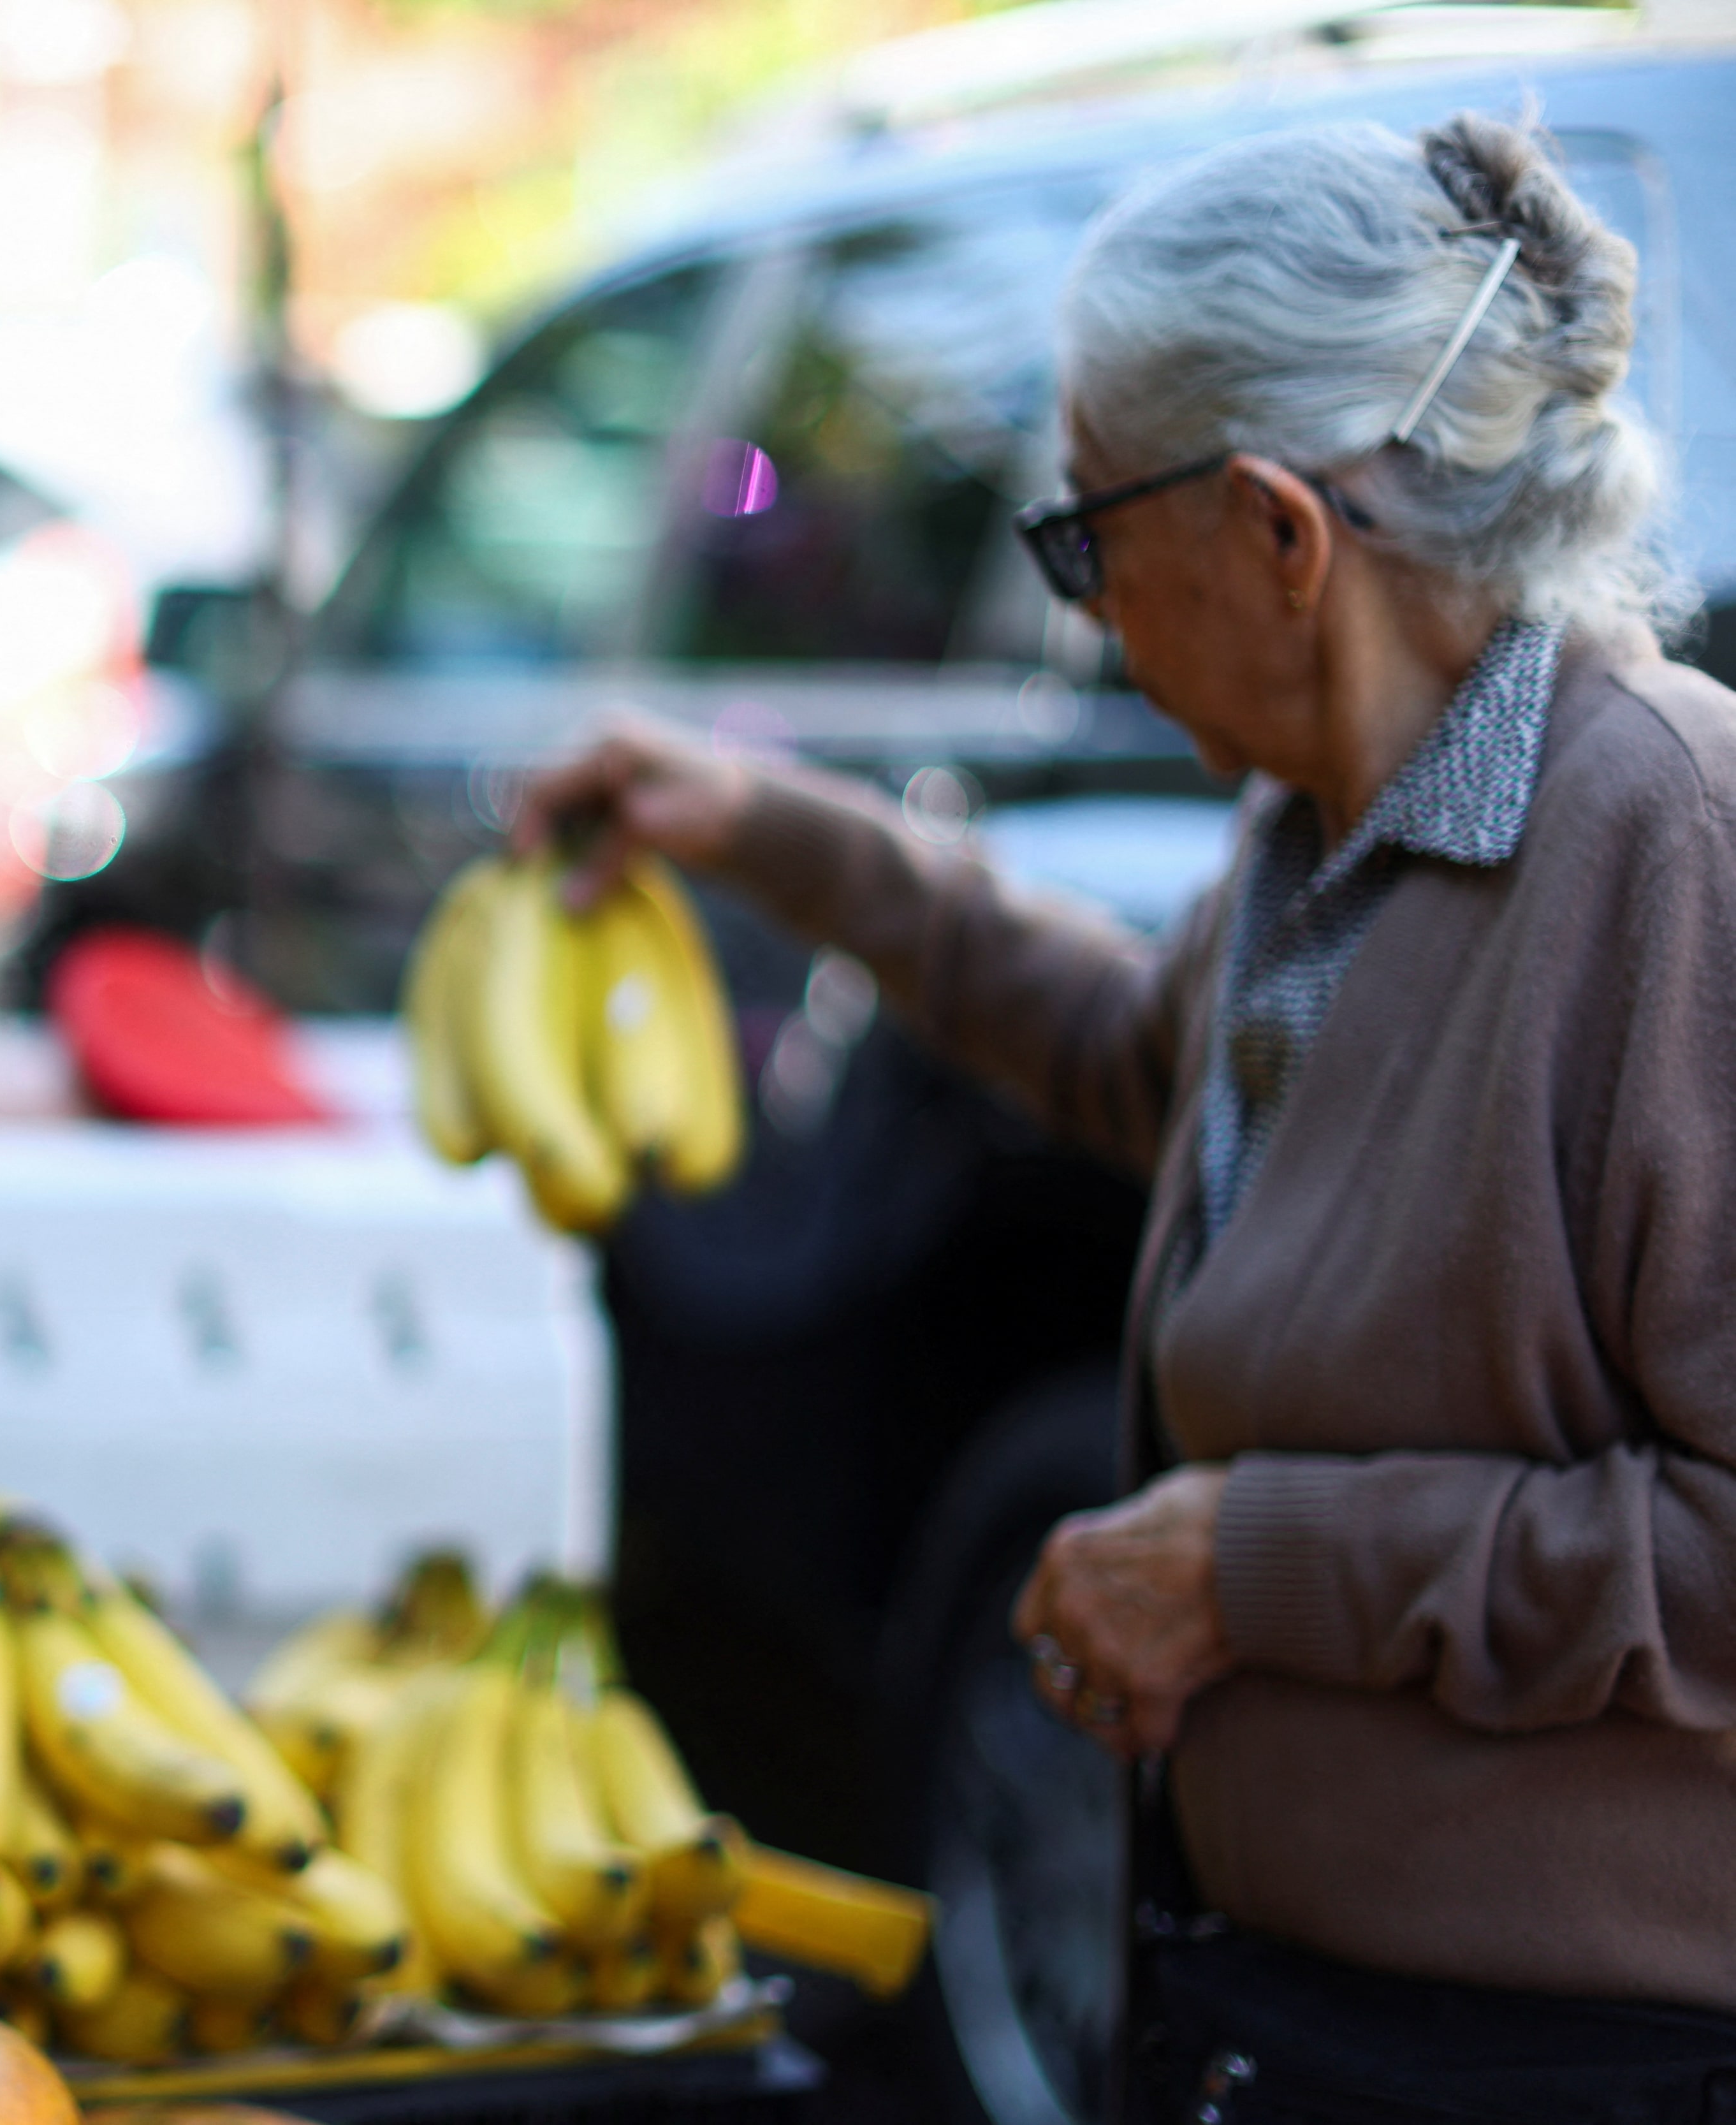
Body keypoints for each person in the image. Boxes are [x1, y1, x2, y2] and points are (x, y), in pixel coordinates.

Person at [525, 112, 1736, 2119]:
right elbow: (1140, 1058)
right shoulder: (1325, 825)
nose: (1085, 611)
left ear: (1279, 530)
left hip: (1563, 2065)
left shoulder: (1668, 847)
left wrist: (1256, 1564)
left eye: (1088, 533)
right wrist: (769, 832)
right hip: (1277, 2013)